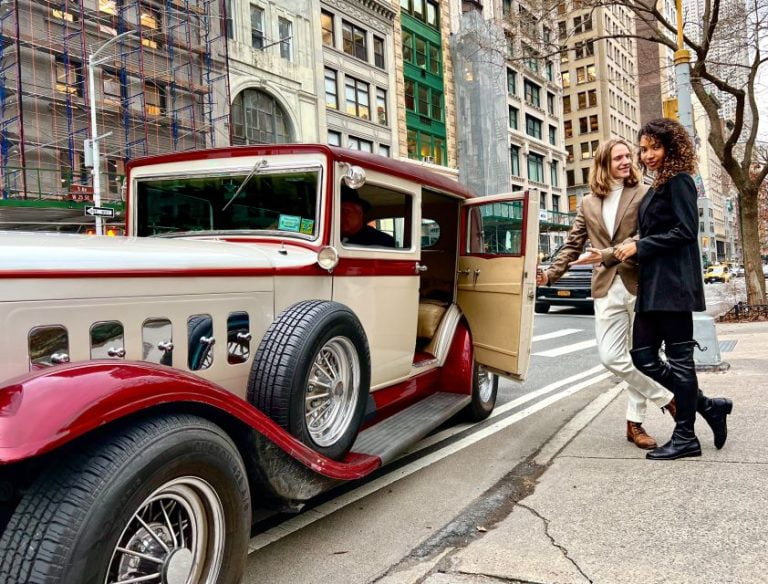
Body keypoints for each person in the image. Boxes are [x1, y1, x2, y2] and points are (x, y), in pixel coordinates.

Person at [536, 138, 675, 449]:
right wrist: (549, 274)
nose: (627, 161)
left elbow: (647, 236)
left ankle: (634, 424)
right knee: (611, 356)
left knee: (641, 357)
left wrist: (609, 253)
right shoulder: (587, 203)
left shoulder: (643, 194)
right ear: (603, 165)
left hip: (639, 284)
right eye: (618, 158)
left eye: (629, 156)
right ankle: (667, 398)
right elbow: (573, 245)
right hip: (605, 288)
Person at [614, 117, 733, 460]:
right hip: (654, 286)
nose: (647, 154)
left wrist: (640, 245)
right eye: (644, 148)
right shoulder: (658, 184)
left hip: (673, 285)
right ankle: (709, 407)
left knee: (681, 363)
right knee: (642, 358)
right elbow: (658, 230)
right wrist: (637, 243)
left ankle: (685, 438)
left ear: (671, 147)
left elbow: (685, 231)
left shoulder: (680, 180)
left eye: (655, 147)